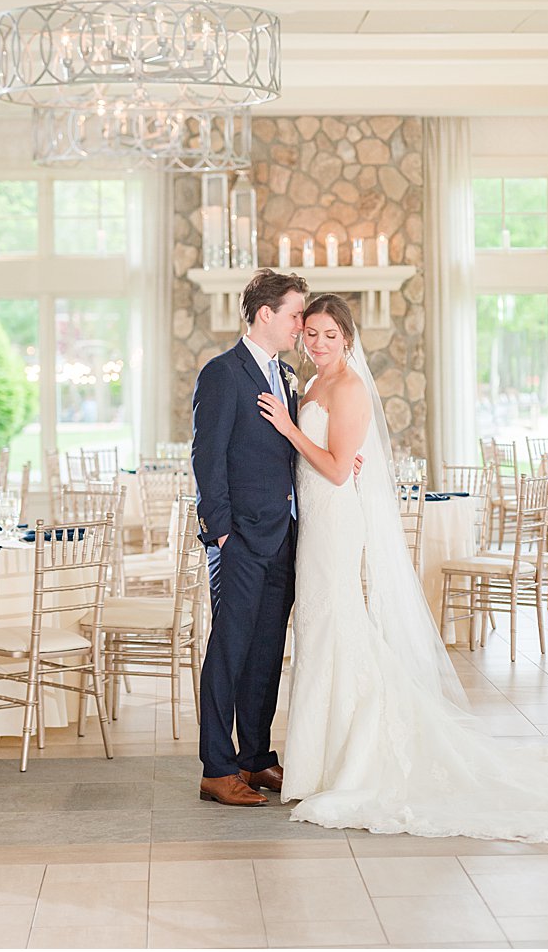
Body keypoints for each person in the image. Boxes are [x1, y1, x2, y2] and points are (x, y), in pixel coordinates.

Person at [255, 293, 548, 841]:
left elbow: (338, 471)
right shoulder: (311, 384)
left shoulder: (351, 387)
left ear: (347, 339)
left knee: (336, 623)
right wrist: (309, 440)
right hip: (314, 521)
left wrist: (293, 432)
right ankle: (322, 760)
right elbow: (334, 456)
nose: (317, 343)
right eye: (310, 333)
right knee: (320, 629)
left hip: (336, 522)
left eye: (328, 335)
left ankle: (353, 759)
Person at [191, 268, 307, 808]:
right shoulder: (222, 373)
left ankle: (255, 758)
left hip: (283, 536)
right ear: (266, 314)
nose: (300, 325)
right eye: (294, 315)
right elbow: (206, 458)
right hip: (237, 541)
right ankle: (217, 767)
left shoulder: (285, 375)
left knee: (266, 651)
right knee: (229, 651)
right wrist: (221, 535)